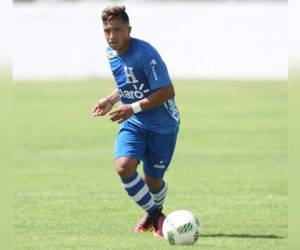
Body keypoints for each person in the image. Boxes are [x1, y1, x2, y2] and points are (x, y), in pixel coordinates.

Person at [92, 5, 180, 237]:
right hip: (135, 122)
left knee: (153, 183)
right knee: (124, 166)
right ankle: (158, 216)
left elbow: (168, 91)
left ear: (129, 30)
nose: (112, 36)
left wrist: (132, 107)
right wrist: (111, 99)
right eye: (107, 30)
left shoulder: (146, 54)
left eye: (117, 30)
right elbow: (128, 83)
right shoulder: (111, 53)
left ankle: (154, 213)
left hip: (163, 126)